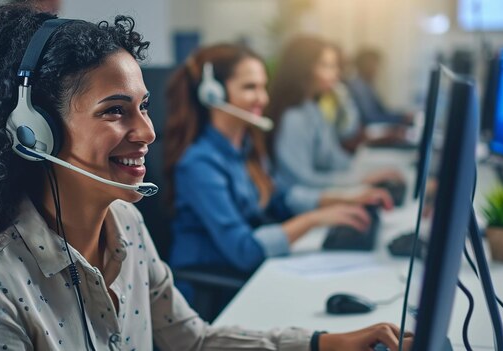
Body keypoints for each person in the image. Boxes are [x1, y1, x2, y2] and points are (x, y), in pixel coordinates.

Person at [0, 4, 411, 350]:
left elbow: (191, 341)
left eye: (143, 107)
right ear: (36, 134)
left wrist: (324, 344)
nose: (147, 132)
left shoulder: (128, 229)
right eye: (115, 111)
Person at [163, 44, 394, 300]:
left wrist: (344, 199)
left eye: (263, 87)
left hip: (248, 277)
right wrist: (315, 218)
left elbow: (279, 198)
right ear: (212, 94)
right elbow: (245, 250)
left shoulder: (246, 148)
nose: (263, 99)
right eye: (250, 87)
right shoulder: (199, 164)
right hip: (213, 293)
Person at [267, 35, 403, 190]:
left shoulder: (313, 108)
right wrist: (361, 180)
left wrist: (368, 172)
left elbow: (335, 158)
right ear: (304, 68)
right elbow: (299, 181)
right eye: (327, 66)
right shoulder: (293, 118)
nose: (336, 73)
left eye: (335, 66)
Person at [347, 47, 412, 125]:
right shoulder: (358, 87)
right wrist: (401, 118)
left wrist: (402, 116)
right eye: (374, 65)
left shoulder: (368, 85)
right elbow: (370, 118)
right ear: (365, 65)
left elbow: (382, 111)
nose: (377, 69)